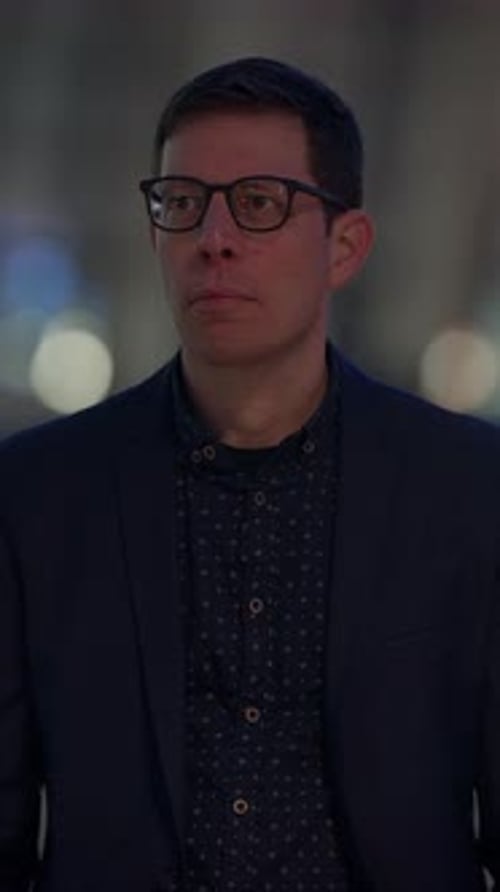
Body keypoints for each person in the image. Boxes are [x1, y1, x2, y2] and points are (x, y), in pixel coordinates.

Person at [0, 56, 499, 892]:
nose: (214, 239)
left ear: (345, 246)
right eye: (182, 203)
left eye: (259, 204)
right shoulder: (38, 495)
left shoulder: (468, 490)